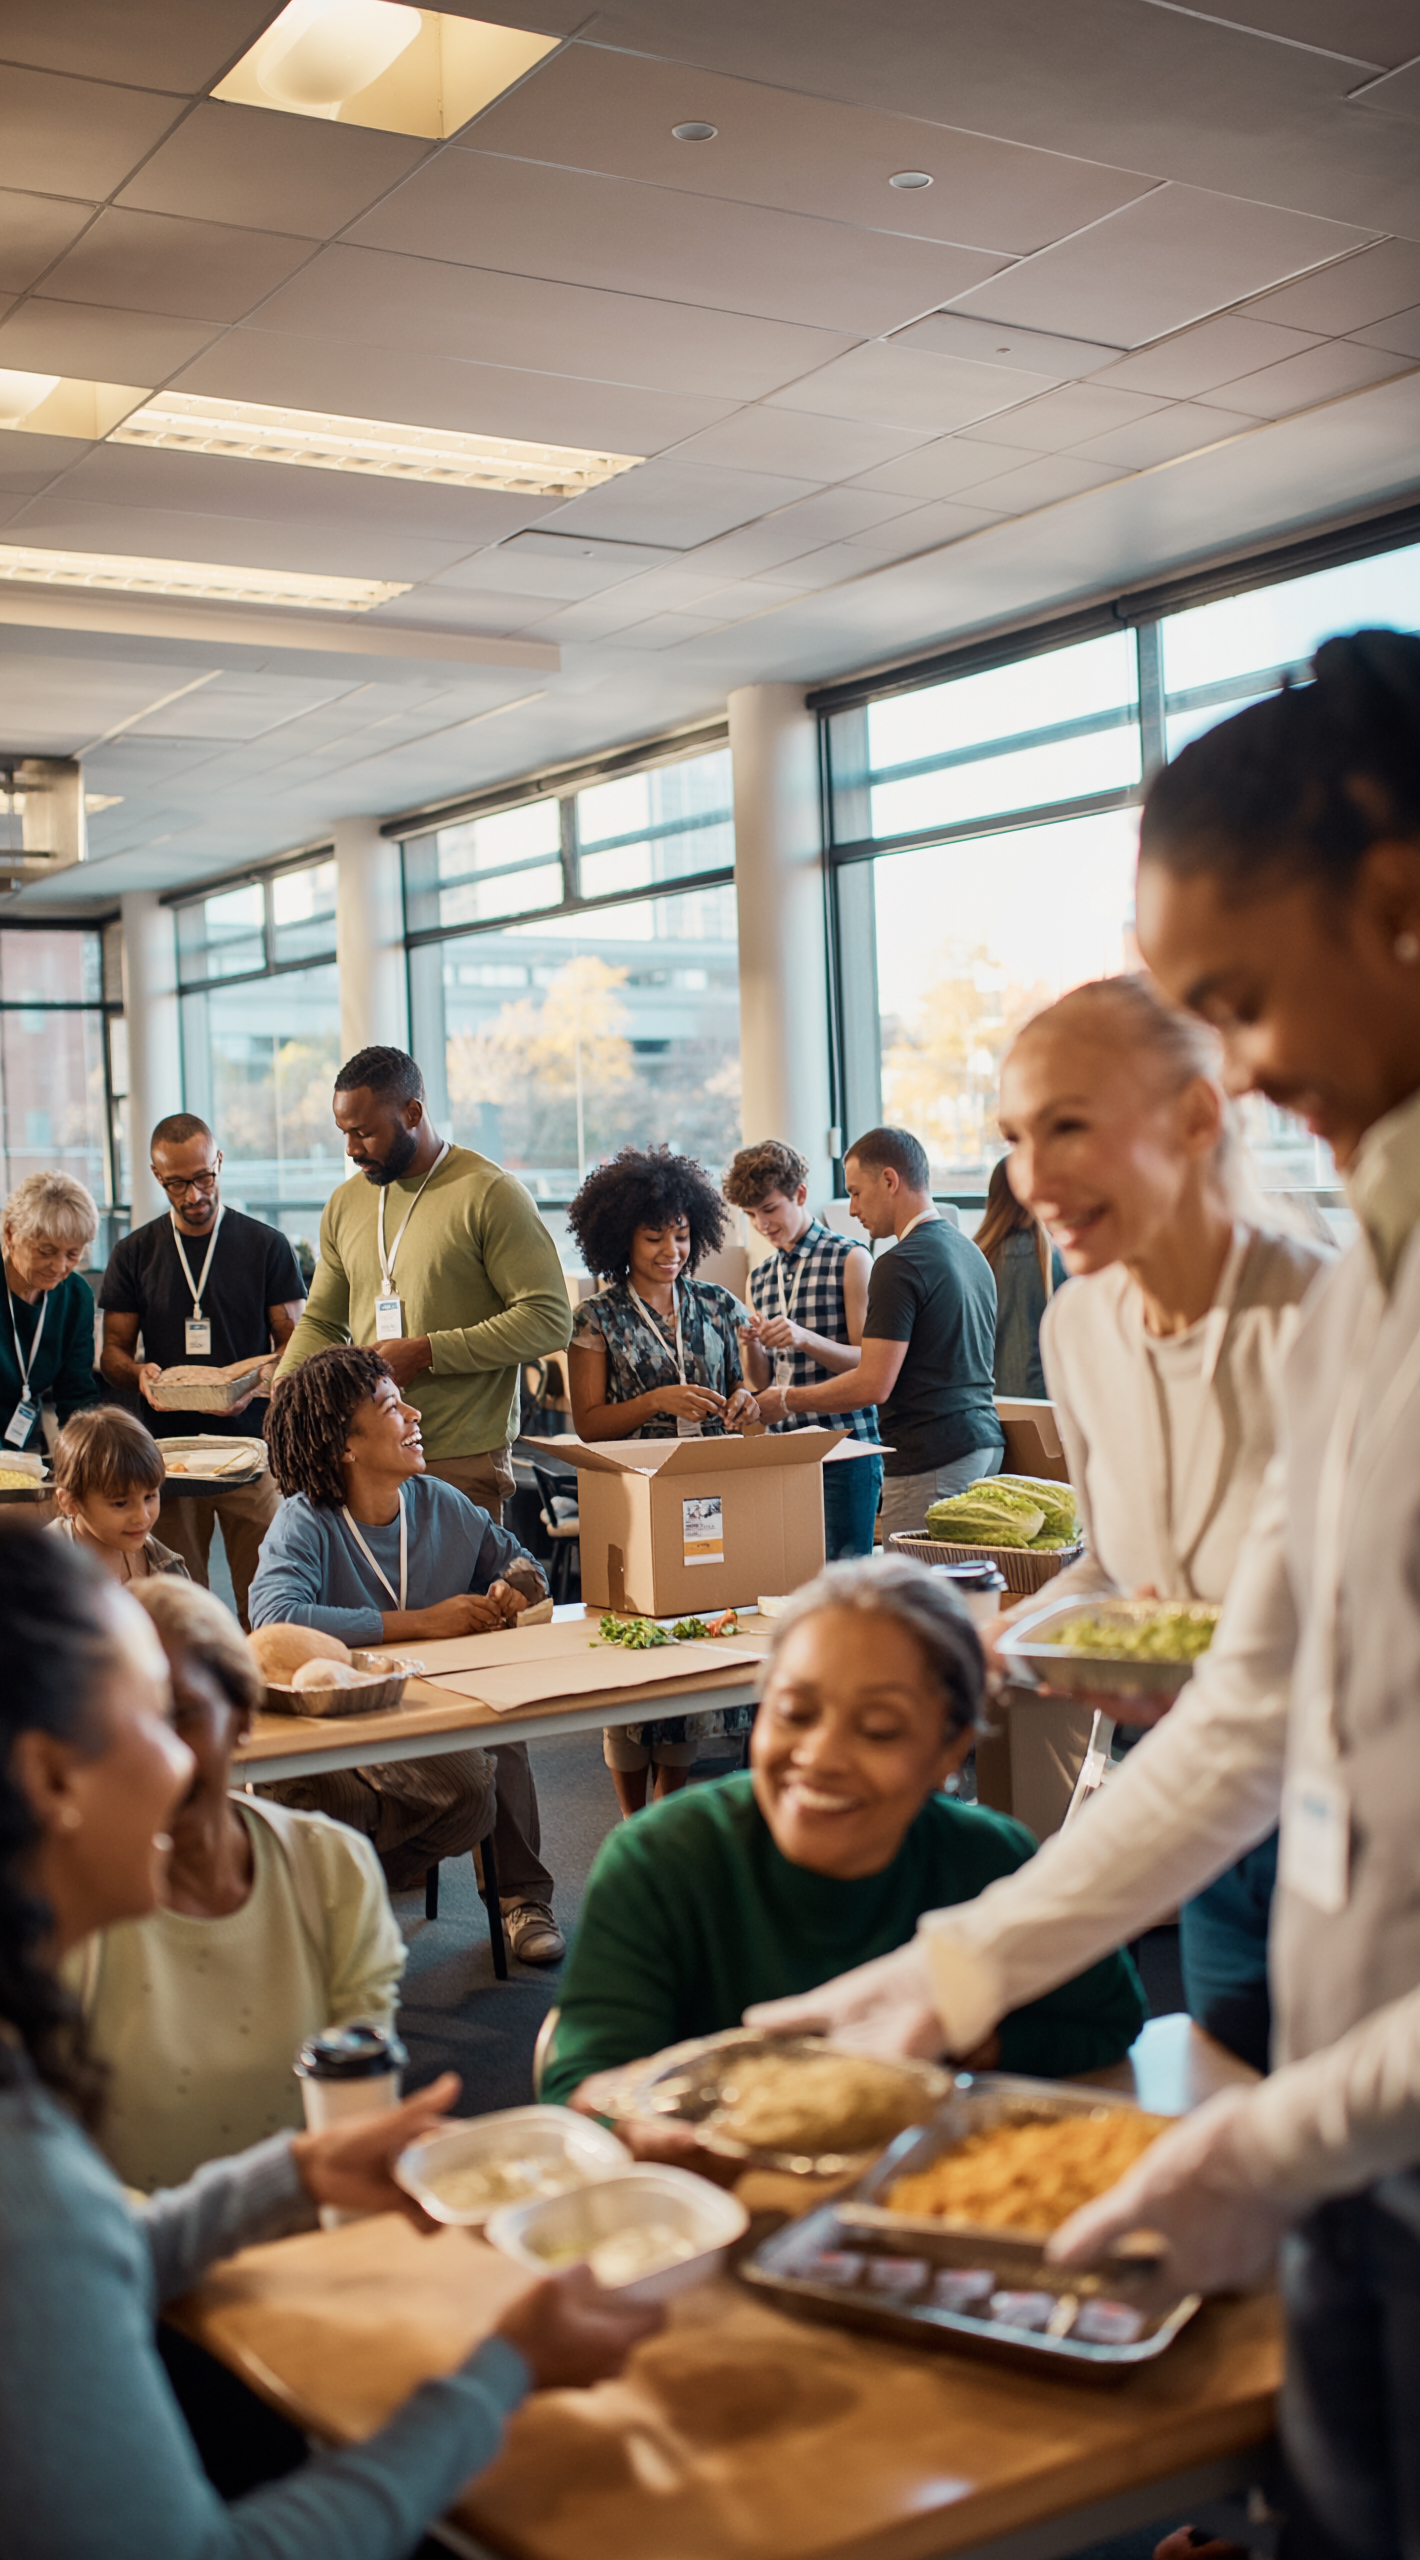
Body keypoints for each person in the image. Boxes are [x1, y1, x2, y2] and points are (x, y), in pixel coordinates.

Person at [746, 630, 1420, 2560]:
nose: (1245, 1069)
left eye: (1240, 1001)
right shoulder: (1378, 1272)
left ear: (1400, 902)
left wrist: (1269, 2143)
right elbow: (1255, 1703)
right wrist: (942, 1974)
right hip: (1363, 2134)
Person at [0, 1516, 658, 2560]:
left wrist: (291, 2174)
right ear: (51, 1780)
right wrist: (500, 2375)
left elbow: (81, 2268)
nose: (183, 1761)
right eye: (148, 1717)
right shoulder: (14, 2176)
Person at [992, 976, 1328, 2065]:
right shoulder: (1079, 1326)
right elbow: (1113, 1565)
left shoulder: (1326, 1317)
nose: (1032, 1178)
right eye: (1014, 1138)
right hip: (1199, 1810)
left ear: (1195, 1116)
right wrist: (1021, 1632)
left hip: (1352, 1807)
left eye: (1069, 1127)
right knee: (1231, 2084)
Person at [540, 1558, 1143, 2112]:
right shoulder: (661, 1861)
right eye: (794, 1714)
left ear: (950, 1751)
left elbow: (1107, 2021)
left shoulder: (990, 1860)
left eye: (878, 1729)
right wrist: (636, 2120)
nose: (821, 1756)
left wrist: (963, 2043)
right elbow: (579, 2082)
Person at [274, 1045, 571, 1961]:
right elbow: (324, 1320)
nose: (352, 1147)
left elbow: (548, 1317)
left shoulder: (487, 1194)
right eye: (342, 1132)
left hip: (460, 1461)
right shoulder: (346, 1203)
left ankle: (521, 1896)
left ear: (411, 1112)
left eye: (364, 1130)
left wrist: (427, 1352)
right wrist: (288, 1411)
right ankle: (391, 1850)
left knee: (487, 1689)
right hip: (355, 1466)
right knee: (379, 1677)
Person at [68, 1574, 405, 2192]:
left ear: (244, 1718)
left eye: (182, 1714)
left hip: (319, 2237)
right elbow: (52, 2185)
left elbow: (357, 2119)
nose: (157, 1754)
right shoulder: (65, 1909)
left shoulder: (331, 1870)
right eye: (124, 1720)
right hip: (128, 2252)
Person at [252, 1347, 543, 1947]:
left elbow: (520, 1561)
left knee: (500, 1738)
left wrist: (515, 1583)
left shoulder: (439, 1501)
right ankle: (349, 1900)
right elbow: (276, 1616)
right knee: (340, 1794)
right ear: (346, 1446)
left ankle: (522, 1901)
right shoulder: (305, 1520)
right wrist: (423, 1623)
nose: (414, 1414)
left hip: (436, 1700)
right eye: (391, 1407)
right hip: (343, 1717)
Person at [567, 1145, 761, 1815]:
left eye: (681, 1235)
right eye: (654, 1237)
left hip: (703, 1497)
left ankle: (670, 1808)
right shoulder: (596, 1318)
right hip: (631, 1500)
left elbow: (747, 1387)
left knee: (694, 1651)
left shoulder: (719, 1304)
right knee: (633, 1657)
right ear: (622, 1238)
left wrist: (746, 1401)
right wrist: (656, 1400)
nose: (671, 1250)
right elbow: (589, 1424)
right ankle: (632, 1819)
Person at [98, 1113, 305, 1626]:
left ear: (219, 1162)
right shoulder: (134, 1253)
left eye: (203, 1177)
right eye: (177, 1183)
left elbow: (296, 1346)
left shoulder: (266, 1246)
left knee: (269, 1598)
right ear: (156, 1176)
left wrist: (250, 1384)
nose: (193, 1195)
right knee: (181, 1609)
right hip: (169, 1459)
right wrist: (139, 1375)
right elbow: (112, 1354)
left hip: (251, 1449)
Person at [754, 1127, 1003, 1542]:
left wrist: (785, 1399)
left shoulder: (898, 1263)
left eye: (856, 1192)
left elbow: (873, 1383)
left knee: (913, 1582)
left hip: (930, 1454)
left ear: (889, 1180)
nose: (852, 1209)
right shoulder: (969, 1251)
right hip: (984, 1444)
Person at [723, 1137, 884, 1561]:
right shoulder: (759, 1277)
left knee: (846, 1578)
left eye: (769, 1209)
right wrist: (750, 1346)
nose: (762, 1224)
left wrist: (804, 1338)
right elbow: (762, 1380)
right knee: (789, 1578)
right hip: (784, 1451)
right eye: (751, 1215)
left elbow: (868, 1361)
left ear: (800, 1194)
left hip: (846, 1449)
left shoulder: (851, 1259)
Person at [0, 1168, 100, 1456]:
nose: (59, 1267)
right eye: (46, 1251)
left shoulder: (76, 1297)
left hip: (22, 1441)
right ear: (10, 1233)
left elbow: (77, 1394)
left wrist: (88, 1459)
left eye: (73, 1254)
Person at [51, 1404, 189, 1585]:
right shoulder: (41, 1573)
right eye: (120, 1503)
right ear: (70, 1502)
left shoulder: (167, 1567)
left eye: (149, 1497)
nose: (142, 1517)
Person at [973, 1152, 1065, 1400]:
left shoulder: (971, 1258)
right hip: (1049, 1403)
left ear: (992, 1199)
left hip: (985, 1403)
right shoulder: (1059, 1259)